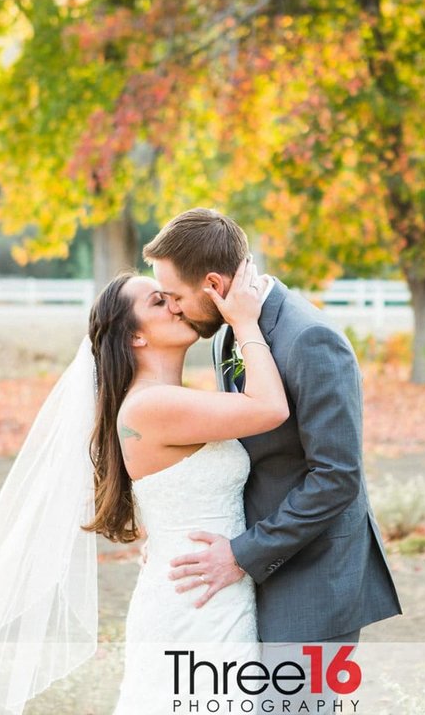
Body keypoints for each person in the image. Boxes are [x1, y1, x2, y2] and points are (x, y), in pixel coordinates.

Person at [0, 257, 283, 714]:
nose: (178, 306)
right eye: (160, 301)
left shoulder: (161, 403)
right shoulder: (151, 407)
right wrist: (245, 323)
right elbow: (269, 408)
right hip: (195, 604)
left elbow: (171, 493)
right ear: (135, 335)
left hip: (201, 588)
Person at [143, 208, 402, 700]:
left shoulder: (311, 339)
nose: (172, 309)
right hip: (261, 571)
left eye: (175, 297)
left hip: (314, 582)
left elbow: (337, 478)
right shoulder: (232, 332)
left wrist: (241, 555)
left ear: (214, 284)